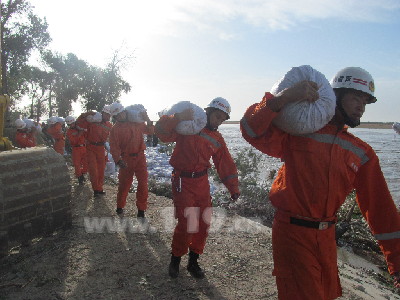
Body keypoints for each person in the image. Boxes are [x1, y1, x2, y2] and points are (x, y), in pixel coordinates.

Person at [240, 67, 400, 299]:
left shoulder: (361, 152)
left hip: (327, 237)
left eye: (365, 101)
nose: (361, 107)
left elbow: (380, 209)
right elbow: (250, 129)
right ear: (336, 96)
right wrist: (284, 99)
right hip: (292, 232)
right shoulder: (298, 131)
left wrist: (396, 262)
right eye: (356, 98)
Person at [155, 97, 240, 279]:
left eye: (222, 119)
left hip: (202, 182)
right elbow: (161, 132)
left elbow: (225, 163)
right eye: (216, 116)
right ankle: (175, 259)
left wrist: (233, 187)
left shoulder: (217, 138)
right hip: (182, 181)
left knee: (203, 222)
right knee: (187, 222)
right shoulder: (188, 127)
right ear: (207, 112)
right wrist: (177, 117)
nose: (218, 122)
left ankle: (193, 262)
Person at [109, 103, 154, 219]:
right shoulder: (115, 129)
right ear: (115, 117)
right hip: (126, 160)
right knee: (124, 185)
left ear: (125, 112)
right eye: (117, 115)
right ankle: (120, 206)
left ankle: (141, 209)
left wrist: (148, 118)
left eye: (122, 113)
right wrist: (118, 160)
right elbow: (114, 147)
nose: (121, 116)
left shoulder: (136, 123)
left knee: (143, 184)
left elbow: (149, 131)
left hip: (140, 157)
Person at [76, 105, 112, 197]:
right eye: (107, 114)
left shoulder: (109, 125)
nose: (108, 117)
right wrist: (85, 114)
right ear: (103, 113)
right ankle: (96, 190)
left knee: (101, 169)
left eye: (110, 115)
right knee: (93, 170)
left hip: (101, 148)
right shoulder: (91, 121)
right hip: (90, 147)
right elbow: (79, 124)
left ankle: (99, 188)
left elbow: (114, 135)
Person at [65, 115, 88, 185]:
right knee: (77, 164)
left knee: (86, 164)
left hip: (84, 147)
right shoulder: (69, 132)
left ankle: (82, 174)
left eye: (72, 123)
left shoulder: (79, 128)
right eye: (70, 124)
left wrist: (83, 130)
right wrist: (79, 134)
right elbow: (73, 141)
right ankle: (79, 178)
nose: (72, 125)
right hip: (76, 149)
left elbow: (86, 134)